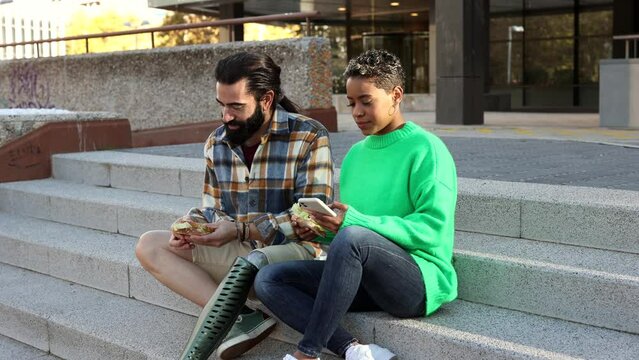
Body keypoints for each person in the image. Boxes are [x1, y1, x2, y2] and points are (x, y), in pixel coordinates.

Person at [254, 49, 458, 360]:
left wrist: (351, 226)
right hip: (363, 275)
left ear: (396, 95)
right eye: (351, 103)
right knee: (269, 279)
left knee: (354, 236)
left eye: (366, 101)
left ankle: (307, 353)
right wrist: (319, 231)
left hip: (417, 282)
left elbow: (432, 229)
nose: (357, 112)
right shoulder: (355, 156)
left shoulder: (426, 149)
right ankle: (353, 349)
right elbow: (350, 237)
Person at [134, 52, 334, 360]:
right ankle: (241, 316)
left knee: (254, 258)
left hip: (293, 257)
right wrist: (190, 227)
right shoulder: (217, 142)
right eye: (222, 105)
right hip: (241, 253)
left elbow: (314, 220)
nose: (226, 116)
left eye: (236, 106)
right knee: (150, 244)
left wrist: (241, 230)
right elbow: (213, 208)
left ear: (266, 99)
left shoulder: (308, 135)